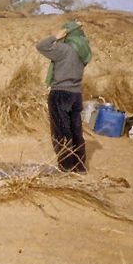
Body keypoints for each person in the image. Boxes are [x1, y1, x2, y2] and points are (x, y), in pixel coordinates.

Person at [35, 21, 92, 173]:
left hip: (60, 94)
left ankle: (66, 169)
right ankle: (79, 168)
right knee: (76, 132)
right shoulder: (82, 52)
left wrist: (56, 36)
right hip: (76, 94)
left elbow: (40, 46)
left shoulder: (64, 49)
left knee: (61, 132)